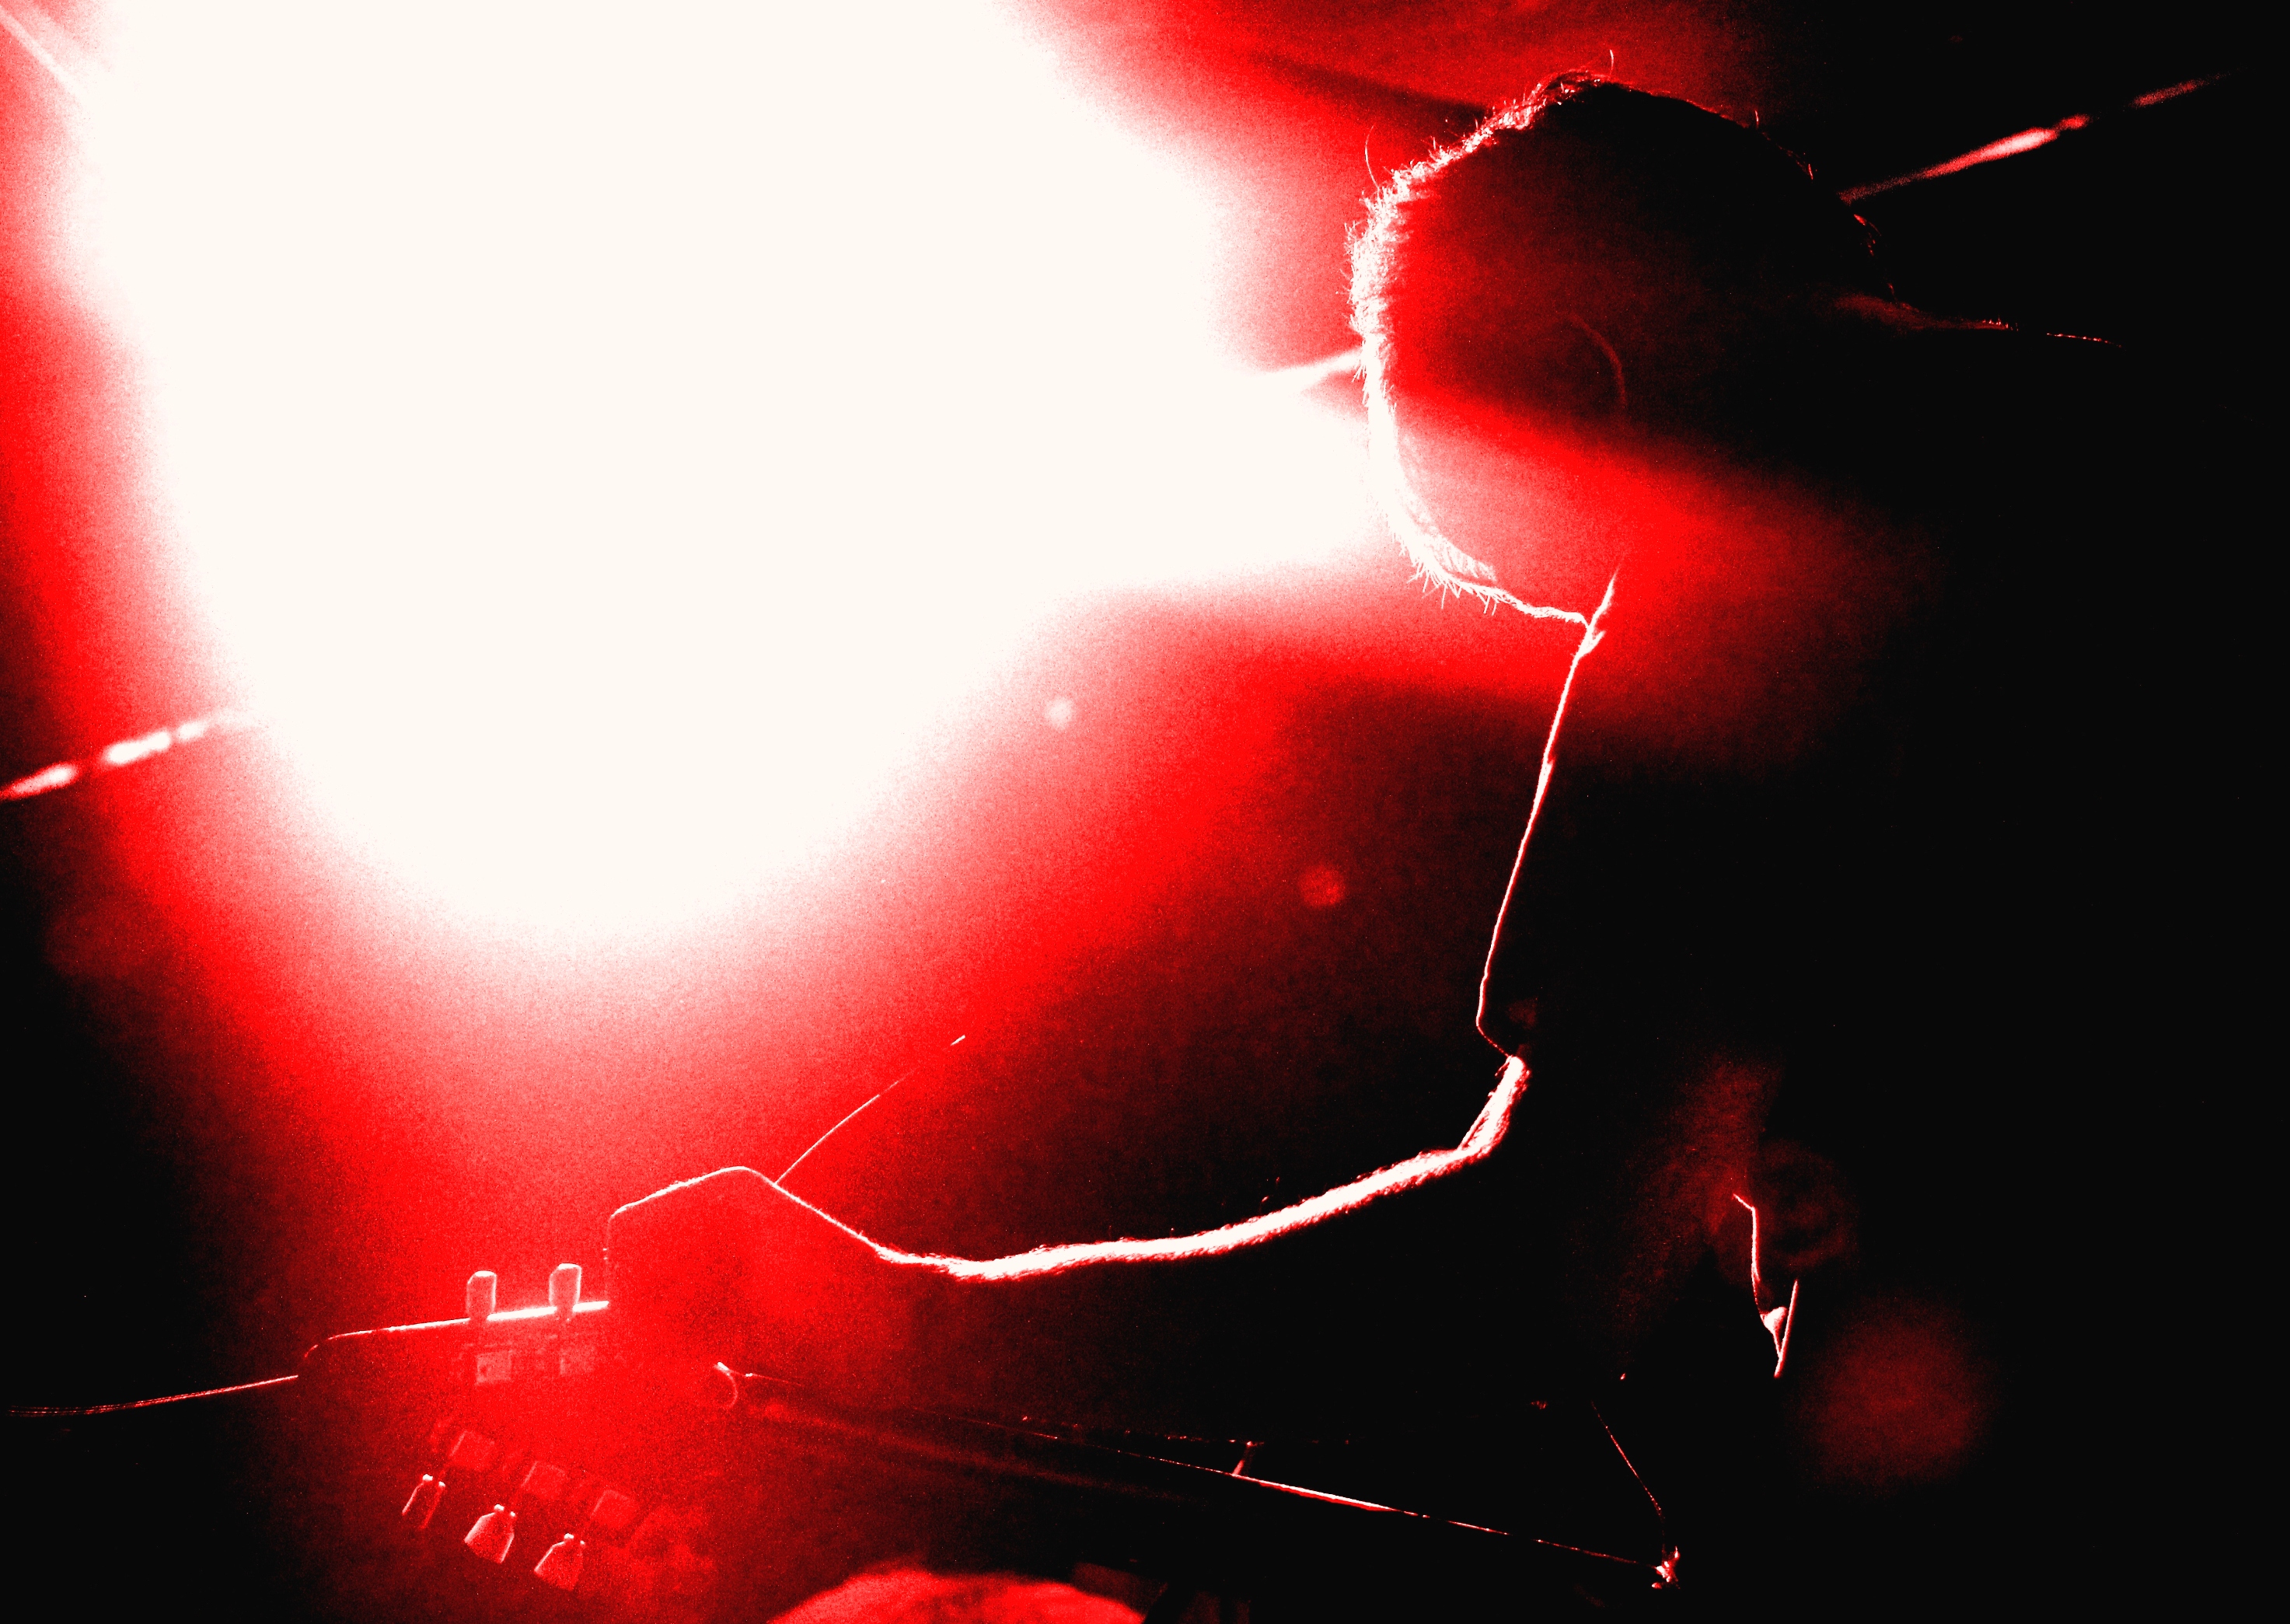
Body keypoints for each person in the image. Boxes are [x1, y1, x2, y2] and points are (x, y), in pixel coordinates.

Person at [607, 75, 2257, 1615]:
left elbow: (1548, 1263)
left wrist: (914, 1318)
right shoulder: (2172, 445)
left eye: (1579, 581)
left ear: (1589, 385)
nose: (1593, 644)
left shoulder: (1754, 545)